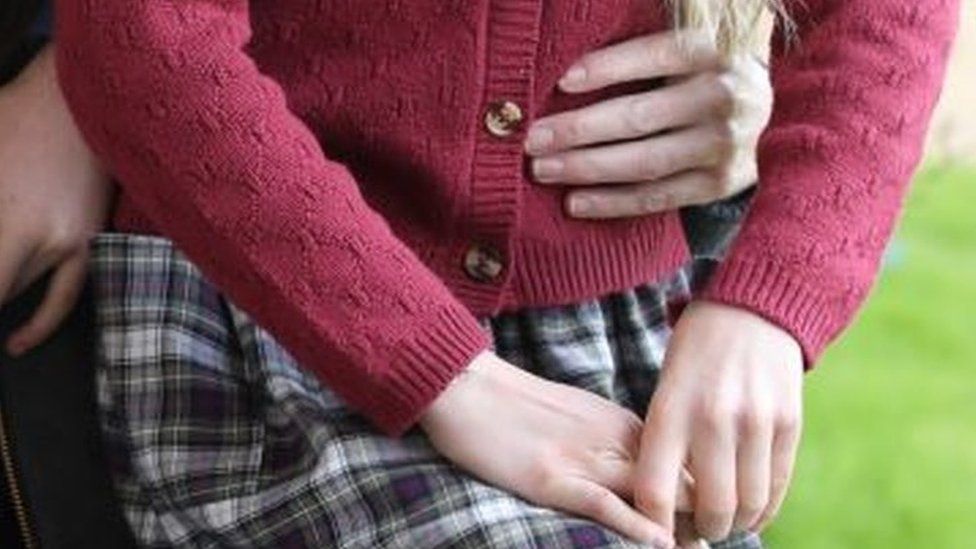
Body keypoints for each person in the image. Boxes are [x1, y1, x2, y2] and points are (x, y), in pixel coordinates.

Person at [4, 1, 959, 547]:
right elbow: (145, 29)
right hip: (276, 325)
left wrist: (769, 304)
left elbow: (885, 17)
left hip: (607, 344)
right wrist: (443, 372)